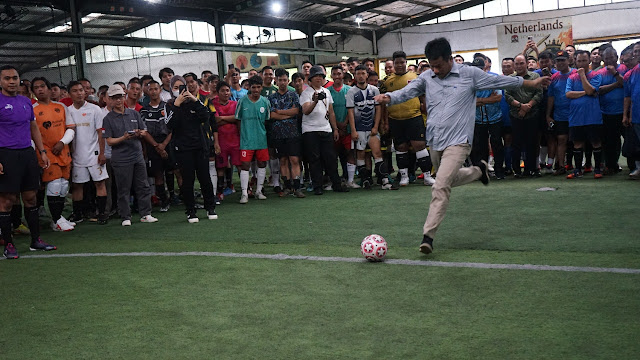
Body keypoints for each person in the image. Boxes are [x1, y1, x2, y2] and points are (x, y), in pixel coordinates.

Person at [374, 37, 550, 255]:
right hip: (435, 140)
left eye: (438, 65)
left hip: (459, 141)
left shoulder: (470, 75)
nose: (435, 70)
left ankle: (428, 236)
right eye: (432, 65)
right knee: (445, 180)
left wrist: (530, 83)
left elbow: (501, 82)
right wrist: (388, 97)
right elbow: (407, 92)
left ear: (450, 59)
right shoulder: (427, 77)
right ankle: (478, 171)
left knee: (440, 187)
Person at [1, 65, 57, 259]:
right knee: (7, 201)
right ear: (1, 81)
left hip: (27, 153)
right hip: (5, 154)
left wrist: (41, 152)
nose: (12, 81)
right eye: (7, 78)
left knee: (31, 197)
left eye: (15, 78)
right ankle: (9, 244)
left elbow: (33, 127)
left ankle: (36, 240)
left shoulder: (26, 102)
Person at [103, 85, 159, 225]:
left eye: (120, 97)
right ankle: (125, 217)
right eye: (115, 98)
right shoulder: (108, 118)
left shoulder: (134, 114)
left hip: (137, 155)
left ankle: (146, 213)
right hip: (120, 158)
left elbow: (144, 130)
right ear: (109, 100)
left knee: (143, 186)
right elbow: (109, 141)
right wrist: (123, 137)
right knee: (123, 188)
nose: (119, 100)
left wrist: (140, 133)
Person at [165, 75, 218, 222]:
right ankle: (190, 211)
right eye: (175, 88)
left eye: (181, 87)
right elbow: (170, 125)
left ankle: (210, 207)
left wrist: (194, 100)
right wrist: (177, 104)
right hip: (182, 149)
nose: (179, 91)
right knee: (187, 180)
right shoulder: (170, 105)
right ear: (171, 89)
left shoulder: (195, 102)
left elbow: (206, 116)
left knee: (205, 178)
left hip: (199, 146)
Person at [382, 50, 434, 186]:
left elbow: (423, 96)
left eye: (402, 62)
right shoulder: (387, 81)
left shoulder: (416, 77)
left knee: (420, 145)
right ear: (393, 64)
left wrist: (427, 111)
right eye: (397, 63)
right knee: (401, 147)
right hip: (395, 119)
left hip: (414, 117)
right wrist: (385, 121)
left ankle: (427, 175)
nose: (399, 65)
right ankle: (404, 176)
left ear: (406, 63)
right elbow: (383, 103)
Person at [31, 77, 77, 231]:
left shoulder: (62, 107)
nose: (40, 89)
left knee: (64, 185)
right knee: (54, 184)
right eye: (36, 87)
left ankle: (58, 217)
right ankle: (56, 219)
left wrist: (62, 142)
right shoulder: (33, 109)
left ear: (49, 89)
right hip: (45, 153)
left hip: (63, 151)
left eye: (42, 86)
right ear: (33, 91)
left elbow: (71, 128)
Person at [300, 65, 349, 195]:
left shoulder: (326, 92)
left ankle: (336, 184)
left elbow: (331, 112)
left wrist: (335, 129)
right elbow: (306, 111)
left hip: (326, 129)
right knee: (314, 159)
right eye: (316, 76)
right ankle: (317, 186)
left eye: (321, 76)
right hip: (310, 130)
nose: (319, 79)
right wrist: (315, 101)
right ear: (310, 79)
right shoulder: (306, 93)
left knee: (331, 157)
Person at [66, 80, 109, 224]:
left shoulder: (94, 109)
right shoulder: (68, 111)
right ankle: (78, 214)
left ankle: (102, 213)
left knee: (99, 183)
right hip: (77, 156)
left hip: (95, 154)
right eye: (75, 91)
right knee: (78, 185)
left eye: (81, 90)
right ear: (69, 93)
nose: (79, 93)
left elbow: (100, 133)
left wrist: (102, 153)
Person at [347, 65, 391, 190]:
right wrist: (353, 130)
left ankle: (384, 180)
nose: (360, 76)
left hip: (372, 128)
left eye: (363, 73)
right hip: (359, 129)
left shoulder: (374, 90)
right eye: (358, 73)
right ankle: (365, 179)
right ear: (355, 76)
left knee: (377, 152)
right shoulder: (351, 92)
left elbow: (378, 110)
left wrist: (376, 126)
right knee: (360, 155)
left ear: (367, 75)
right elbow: (350, 112)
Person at [565, 50, 604, 179]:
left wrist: (582, 76)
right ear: (575, 61)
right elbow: (568, 94)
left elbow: (591, 90)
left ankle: (597, 169)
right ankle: (577, 170)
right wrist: (585, 92)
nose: (581, 63)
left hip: (593, 116)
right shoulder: (571, 77)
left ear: (589, 61)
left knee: (595, 142)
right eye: (579, 61)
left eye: (584, 60)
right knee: (577, 143)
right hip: (576, 117)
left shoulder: (596, 75)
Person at [268, 68, 305, 198]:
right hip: (278, 133)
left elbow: (296, 111)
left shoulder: (294, 95)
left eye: (285, 80)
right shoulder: (271, 97)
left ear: (288, 81)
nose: (282, 82)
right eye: (280, 80)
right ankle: (287, 186)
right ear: (276, 81)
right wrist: (287, 114)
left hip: (293, 133)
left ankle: (297, 187)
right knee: (282, 160)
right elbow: (271, 115)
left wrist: (280, 112)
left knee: (294, 159)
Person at [505, 54, 543, 177]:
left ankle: (531, 169)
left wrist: (528, 107)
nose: (519, 66)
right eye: (517, 63)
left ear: (527, 63)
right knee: (516, 143)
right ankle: (517, 170)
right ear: (514, 65)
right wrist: (521, 106)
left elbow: (539, 94)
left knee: (532, 142)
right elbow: (507, 96)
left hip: (532, 114)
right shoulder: (510, 78)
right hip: (516, 115)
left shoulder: (535, 76)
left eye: (522, 63)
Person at [469, 58, 505, 180]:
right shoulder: (469, 82)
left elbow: (498, 97)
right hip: (478, 119)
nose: (478, 71)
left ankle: (499, 171)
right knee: (480, 147)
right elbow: (469, 102)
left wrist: (479, 101)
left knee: (497, 145)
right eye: (476, 68)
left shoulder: (493, 78)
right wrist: (487, 99)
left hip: (495, 117)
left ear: (485, 67)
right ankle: (482, 173)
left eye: (481, 68)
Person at [236, 75, 270, 203]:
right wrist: (243, 135)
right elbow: (238, 120)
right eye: (253, 87)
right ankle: (244, 193)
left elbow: (266, 121)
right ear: (249, 88)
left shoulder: (265, 102)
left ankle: (259, 191)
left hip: (261, 139)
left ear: (261, 88)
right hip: (246, 140)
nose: (256, 90)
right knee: (245, 165)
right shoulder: (242, 101)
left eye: (258, 87)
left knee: (262, 163)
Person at [140, 80, 173, 212]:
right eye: (150, 89)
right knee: (158, 174)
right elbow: (144, 131)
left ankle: (178, 197)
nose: (153, 92)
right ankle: (163, 201)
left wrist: (164, 145)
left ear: (160, 90)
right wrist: (156, 146)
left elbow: (173, 128)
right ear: (147, 91)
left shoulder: (168, 106)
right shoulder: (143, 110)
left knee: (175, 171)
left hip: (168, 142)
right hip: (152, 145)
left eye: (156, 89)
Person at [597, 47, 627, 173]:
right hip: (607, 113)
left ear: (616, 57)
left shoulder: (624, 69)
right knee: (610, 142)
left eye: (611, 57)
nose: (609, 60)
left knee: (630, 139)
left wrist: (615, 73)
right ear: (603, 59)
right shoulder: (599, 73)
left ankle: (633, 164)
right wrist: (616, 84)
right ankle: (611, 165)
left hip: (625, 112)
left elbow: (626, 84)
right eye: (607, 58)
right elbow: (599, 90)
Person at [546, 51, 576, 175]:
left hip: (576, 113)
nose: (560, 63)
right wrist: (548, 115)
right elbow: (551, 97)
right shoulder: (554, 78)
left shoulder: (576, 74)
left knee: (578, 141)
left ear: (569, 61)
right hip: (560, 115)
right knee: (561, 139)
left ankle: (582, 165)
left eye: (563, 60)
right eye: (558, 60)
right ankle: (560, 166)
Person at [212, 81, 241, 200]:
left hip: (235, 139)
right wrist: (231, 119)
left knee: (240, 164)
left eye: (227, 90)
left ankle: (245, 190)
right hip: (221, 140)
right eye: (223, 91)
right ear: (218, 92)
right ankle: (219, 192)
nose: (225, 93)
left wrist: (223, 118)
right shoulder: (213, 104)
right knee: (220, 167)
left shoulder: (235, 104)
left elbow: (237, 117)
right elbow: (215, 120)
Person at [327, 65, 355, 188]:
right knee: (333, 155)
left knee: (349, 153)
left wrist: (345, 123)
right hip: (333, 130)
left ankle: (349, 180)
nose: (337, 76)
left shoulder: (350, 90)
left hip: (348, 128)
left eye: (339, 74)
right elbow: (327, 111)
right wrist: (337, 126)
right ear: (331, 76)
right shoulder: (327, 91)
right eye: (334, 74)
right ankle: (334, 180)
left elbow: (352, 109)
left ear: (343, 74)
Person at [623, 42, 640, 178]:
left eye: (638, 51)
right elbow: (627, 96)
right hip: (636, 115)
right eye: (635, 51)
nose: (637, 53)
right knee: (637, 144)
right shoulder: (630, 74)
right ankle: (638, 168)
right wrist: (626, 115)